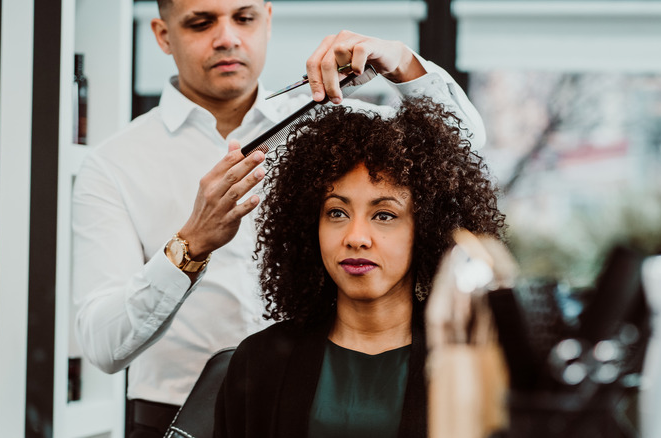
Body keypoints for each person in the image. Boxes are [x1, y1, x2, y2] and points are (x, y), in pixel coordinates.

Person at [71, 0, 487, 435]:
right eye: (201, 22)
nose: (228, 37)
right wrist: (190, 246)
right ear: (162, 34)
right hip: (175, 418)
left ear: (267, 21)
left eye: (244, 18)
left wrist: (403, 63)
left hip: (310, 397)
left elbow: (462, 159)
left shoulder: (330, 124)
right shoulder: (114, 164)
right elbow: (104, 346)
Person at [213, 97, 505, 437]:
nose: (356, 237)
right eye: (337, 212)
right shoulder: (260, 361)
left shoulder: (470, 365)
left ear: (425, 229)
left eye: (384, 215)